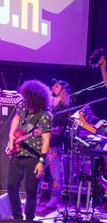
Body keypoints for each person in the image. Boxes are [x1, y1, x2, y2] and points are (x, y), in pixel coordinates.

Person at [7, 80, 52, 220]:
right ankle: (17, 217)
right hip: (17, 154)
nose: (24, 99)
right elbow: (15, 120)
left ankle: (29, 218)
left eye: (27, 97)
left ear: (34, 98)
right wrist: (10, 138)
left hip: (33, 157)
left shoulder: (44, 116)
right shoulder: (23, 109)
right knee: (11, 186)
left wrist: (41, 161)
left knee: (31, 190)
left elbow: (46, 140)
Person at [45, 79, 71, 208]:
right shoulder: (47, 106)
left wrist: (43, 131)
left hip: (54, 146)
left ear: (63, 91)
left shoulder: (64, 109)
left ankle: (55, 198)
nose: (53, 86)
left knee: (56, 175)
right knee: (36, 172)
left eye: (57, 85)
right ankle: (34, 197)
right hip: (42, 145)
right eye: (54, 84)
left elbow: (58, 130)